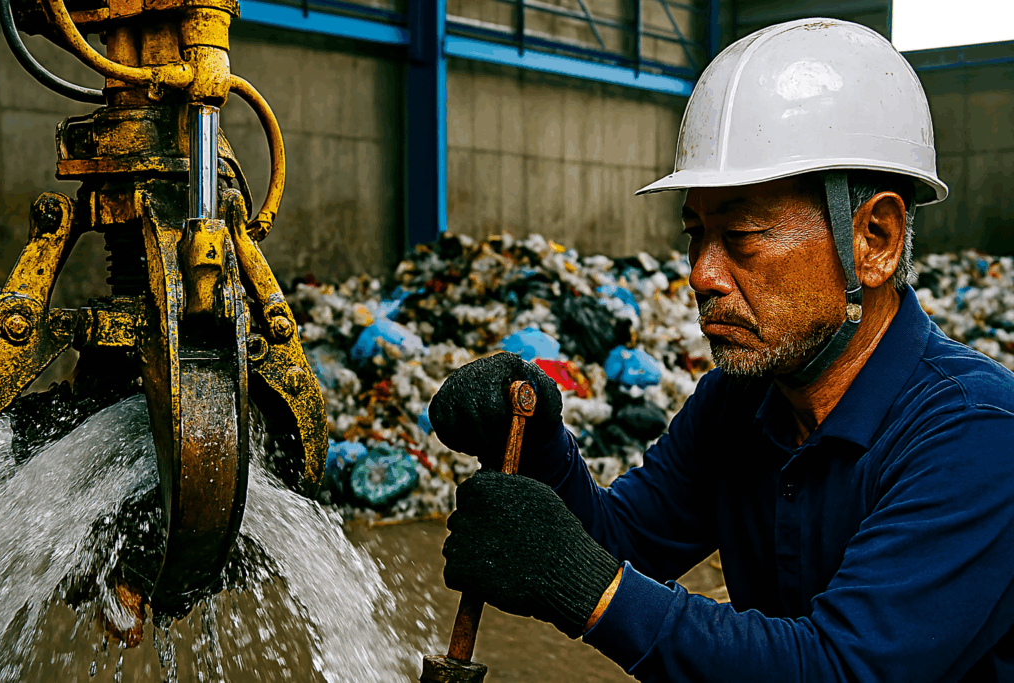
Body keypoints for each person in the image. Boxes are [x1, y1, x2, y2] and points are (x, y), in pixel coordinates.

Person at [428, 17, 1014, 683]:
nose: (701, 274)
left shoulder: (977, 435)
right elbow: (623, 546)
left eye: (741, 235)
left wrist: (590, 587)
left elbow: (840, 668)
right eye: (695, 234)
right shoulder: (740, 405)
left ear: (874, 239)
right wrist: (539, 445)